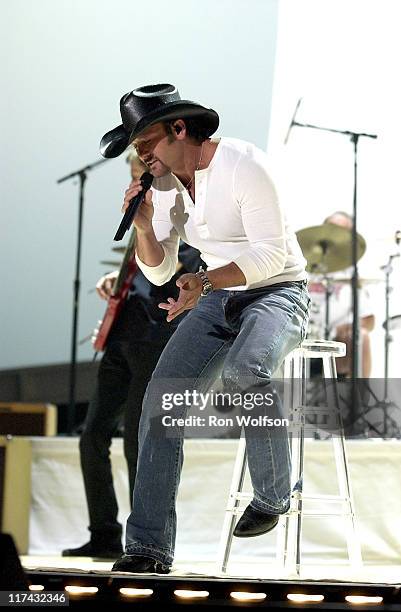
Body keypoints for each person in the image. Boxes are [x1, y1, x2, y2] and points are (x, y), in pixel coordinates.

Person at [99, 83, 310, 573]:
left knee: (246, 370)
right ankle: (148, 548)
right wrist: (146, 227)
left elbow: (269, 255)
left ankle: (276, 493)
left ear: (179, 127)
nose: (141, 152)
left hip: (278, 290)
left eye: (145, 140)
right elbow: (158, 270)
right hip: (219, 297)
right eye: (135, 145)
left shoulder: (243, 164)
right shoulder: (167, 187)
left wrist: (206, 281)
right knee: (160, 402)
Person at [62, 152, 202, 559]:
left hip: (156, 336)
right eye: (132, 169)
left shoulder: (183, 207)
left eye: (143, 167)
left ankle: (144, 541)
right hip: (122, 334)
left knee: (138, 442)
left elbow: (177, 268)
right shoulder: (141, 205)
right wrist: (118, 277)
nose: (137, 175)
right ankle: (103, 531)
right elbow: (142, 261)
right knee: (91, 436)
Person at [308, 211, 375, 377]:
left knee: (362, 337)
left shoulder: (351, 273)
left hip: (337, 340)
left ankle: (358, 400)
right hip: (303, 335)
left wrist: (349, 328)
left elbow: (369, 320)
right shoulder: (304, 267)